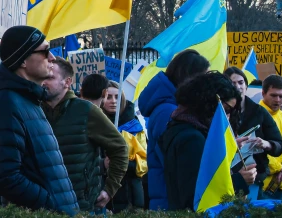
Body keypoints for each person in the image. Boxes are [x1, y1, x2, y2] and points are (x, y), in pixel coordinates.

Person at [0, 25, 78, 215]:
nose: (52, 57)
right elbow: (6, 177)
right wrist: (51, 205)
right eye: (45, 51)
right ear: (24, 61)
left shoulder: (30, 99)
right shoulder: (7, 102)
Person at [159, 72, 256, 211]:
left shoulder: (182, 125)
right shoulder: (192, 139)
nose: (226, 118)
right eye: (224, 110)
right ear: (208, 104)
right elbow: (198, 192)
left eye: (229, 112)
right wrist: (240, 180)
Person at [42, 57, 128, 213]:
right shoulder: (35, 110)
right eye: (42, 76)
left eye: (50, 77)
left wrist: (110, 189)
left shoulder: (86, 110)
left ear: (67, 82)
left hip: (82, 205)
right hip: (43, 206)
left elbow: (120, 148)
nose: (43, 82)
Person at [138, 49, 209, 210]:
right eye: (203, 77)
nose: (206, 84)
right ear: (189, 78)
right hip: (170, 201)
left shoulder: (172, 107)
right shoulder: (168, 112)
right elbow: (175, 162)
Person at [223, 66, 282, 200]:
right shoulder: (220, 112)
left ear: (246, 85)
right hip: (226, 176)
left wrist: (267, 144)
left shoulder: (259, 112)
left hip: (254, 176)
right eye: (232, 83)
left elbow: (279, 145)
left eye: (240, 82)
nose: (237, 86)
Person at [102, 81, 147, 211]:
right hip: (103, 193)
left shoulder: (134, 124)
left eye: (117, 97)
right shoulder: (94, 123)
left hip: (131, 193)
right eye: (108, 97)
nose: (113, 101)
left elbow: (143, 161)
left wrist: (122, 162)